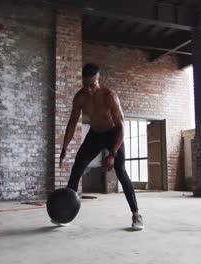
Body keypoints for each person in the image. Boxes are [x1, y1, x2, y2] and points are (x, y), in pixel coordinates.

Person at [58, 63, 144, 230]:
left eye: (92, 85)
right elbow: (72, 123)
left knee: (120, 171)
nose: (89, 90)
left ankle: (136, 215)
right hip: (95, 134)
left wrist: (113, 153)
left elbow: (121, 127)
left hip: (113, 133)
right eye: (85, 85)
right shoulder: (80, 97)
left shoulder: (109, 95)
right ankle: (65, 213)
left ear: (99, 79)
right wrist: (64, 148)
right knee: (77, 168)